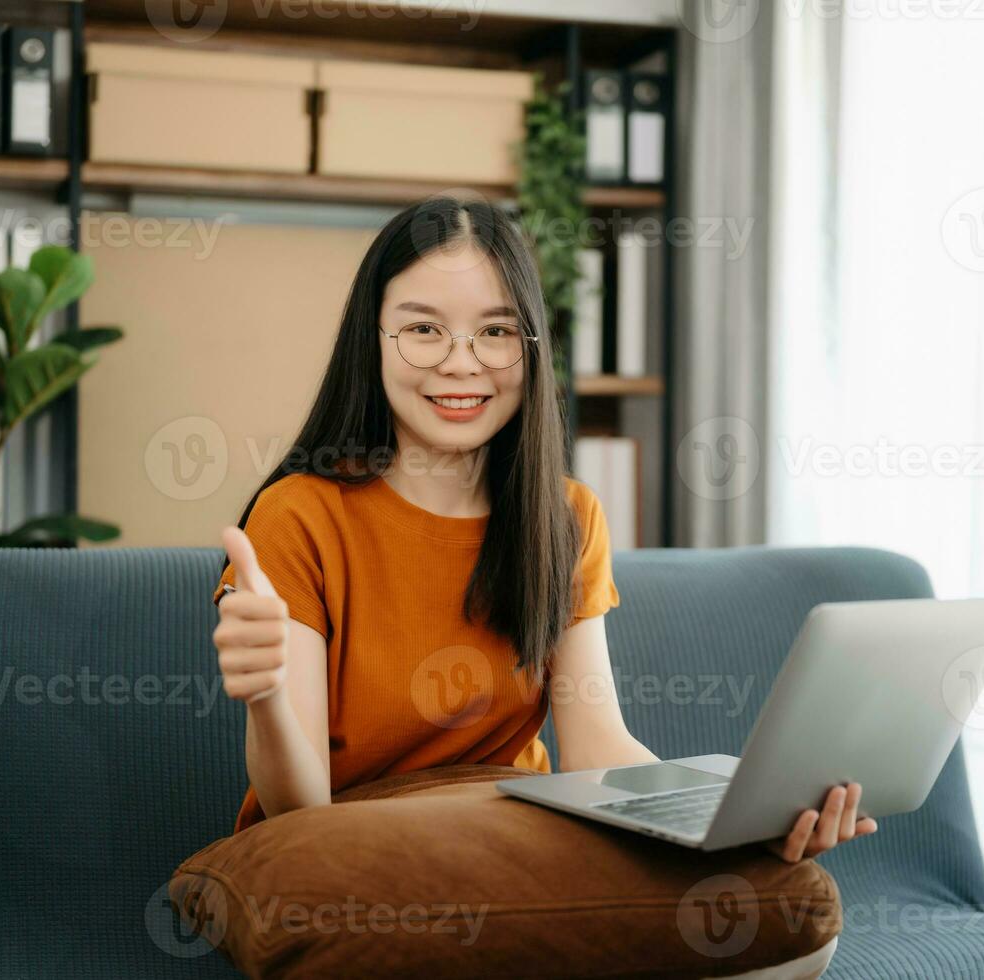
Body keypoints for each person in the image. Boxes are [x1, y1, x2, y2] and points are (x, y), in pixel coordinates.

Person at [211, 195, 876, 863]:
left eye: (496, 332)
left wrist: (731, 815)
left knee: (790, 899)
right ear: (373, 341)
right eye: (423, 330)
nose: (462, 363)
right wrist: (267, 697)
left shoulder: (564, 516)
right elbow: (298, 813)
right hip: (351, 855)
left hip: (510, 846)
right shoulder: (299, 515)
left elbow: (596, 749)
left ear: (531, 346)